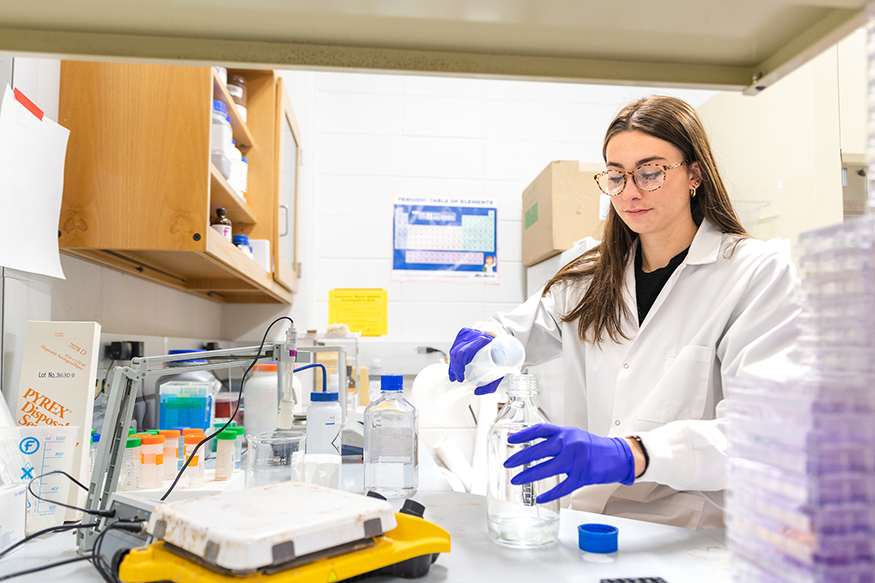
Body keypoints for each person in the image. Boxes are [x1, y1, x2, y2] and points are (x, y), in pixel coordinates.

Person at [447, 96, 800, 530]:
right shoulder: (590, 276)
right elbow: (513, 333)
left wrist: (631, 454)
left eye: (650, 172)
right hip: (588, 520)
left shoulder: (753, 273)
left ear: (694, 174)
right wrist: (487, 339)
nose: (630, 192)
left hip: (692, 534)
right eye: (616, 177)